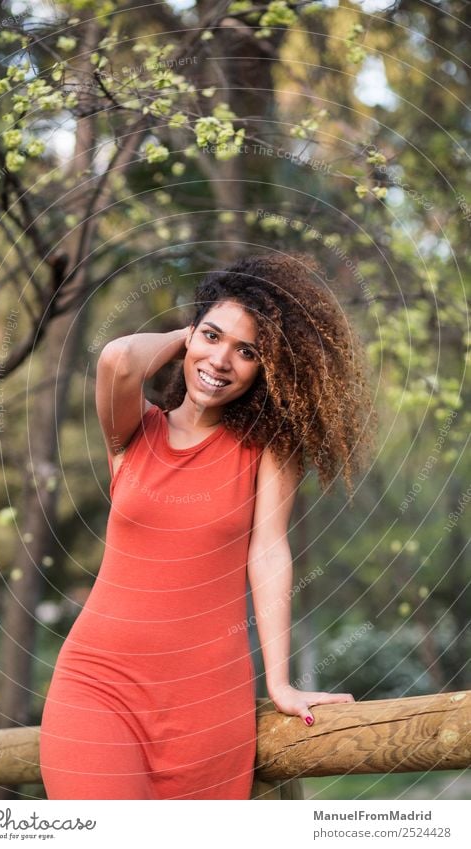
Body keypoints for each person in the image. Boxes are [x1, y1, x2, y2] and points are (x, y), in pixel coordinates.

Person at [39, 252, 376, 800]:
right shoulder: (132, 436)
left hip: (208, 704)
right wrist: (194, 332)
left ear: (266, 369)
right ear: (191, 333)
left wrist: (281, 681)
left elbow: (268, 552)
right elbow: (119, 358)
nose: (222, 360)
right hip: (98, 686)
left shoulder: (266, 449)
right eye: (213, 337)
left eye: (247, 352)